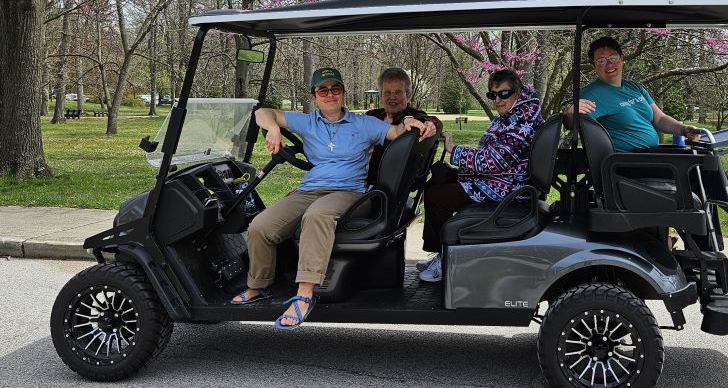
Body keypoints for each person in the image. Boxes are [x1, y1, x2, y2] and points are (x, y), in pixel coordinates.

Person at [230, 67, 435, 330]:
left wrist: (407, 122)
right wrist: (273, 129)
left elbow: (395, 132)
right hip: (310, 189)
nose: (330, 94)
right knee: (261, 225)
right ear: (314, 96)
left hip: (348, 192)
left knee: (317, 216)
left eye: (335, 89)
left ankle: (305, 294)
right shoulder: (307, 122)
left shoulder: (364, 124)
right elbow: (262, 112)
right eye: (323, 90)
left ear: (343, 94)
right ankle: (259, 285)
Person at [570, 36, 728, 246]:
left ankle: (710, 248)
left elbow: (659, 118)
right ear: (595, 66)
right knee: (699, 165)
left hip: (649, 156)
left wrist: (683, 128)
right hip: (629, 164)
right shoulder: (592, 94)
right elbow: (573, 122)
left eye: (612, 57)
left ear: (622, 58)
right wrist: (569, 112)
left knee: (702, 161)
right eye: (601, 61)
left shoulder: (634, 87)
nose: (609, 64)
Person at [417, 69, 544, 283]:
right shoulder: (513, 116)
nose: (497, 100)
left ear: (518, 92)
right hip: (501, 179)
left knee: (437, 197)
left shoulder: (522, 123)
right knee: (438, 178)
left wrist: (454, 150)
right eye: (492, 95)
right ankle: (440, 251)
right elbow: (492, 158)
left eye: (504, 94)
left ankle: (447, 259)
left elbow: (494, 161)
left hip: (509, 188)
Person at [365, 68, 442, 184]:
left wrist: (432, 124)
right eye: (387, 92)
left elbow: (430, 121)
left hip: (381, 183)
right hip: (353, 175)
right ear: (381, 95)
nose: (392, 97)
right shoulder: (372, 115)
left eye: (398, 92)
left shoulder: (413, 117)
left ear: (408, 95)